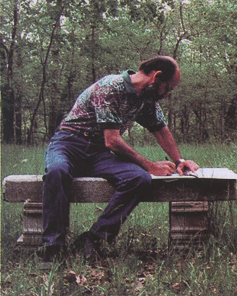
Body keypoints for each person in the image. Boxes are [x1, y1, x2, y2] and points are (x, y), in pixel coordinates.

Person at [40, 55, 199, 265]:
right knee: (57, 171)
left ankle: (95, 239)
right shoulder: (111, 87)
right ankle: (53, 247)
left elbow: (160, 129)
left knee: (139, 178)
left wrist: (179, 161)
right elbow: (113, 141)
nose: (168, 95)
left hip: (96, 153)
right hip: (68, 144)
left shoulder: (145, 98)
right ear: (156, 77)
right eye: (168, 88)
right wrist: (151, 165)